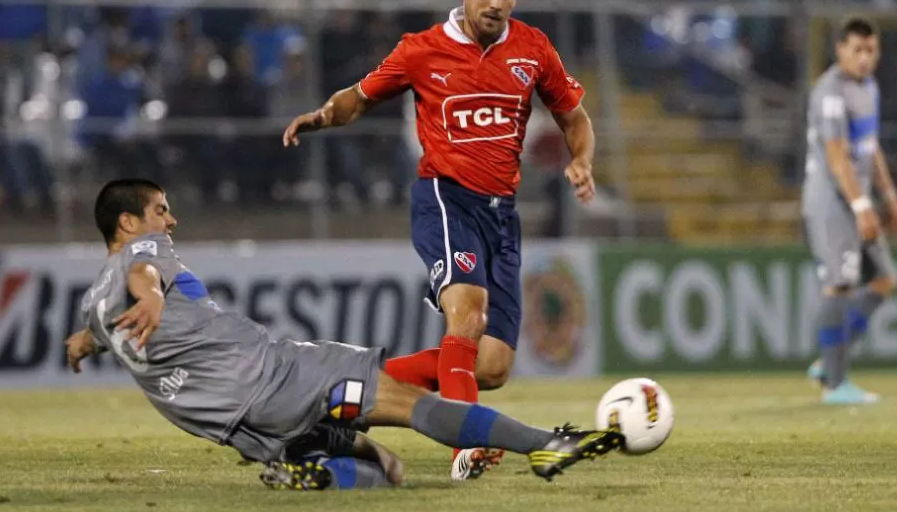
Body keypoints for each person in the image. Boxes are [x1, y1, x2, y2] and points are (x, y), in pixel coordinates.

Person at [65, 179, 623, 491]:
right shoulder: (145, 254)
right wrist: (153, 298)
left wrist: (81, 345)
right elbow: (147, 276)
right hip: (278, 377)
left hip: (244, 430)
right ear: (128, 223)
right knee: (413, 404)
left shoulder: (95, 305)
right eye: (161, 211)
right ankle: (547, 444)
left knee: (389, 470)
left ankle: (312, 469)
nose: (170, 222)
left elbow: (93, 333)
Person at [282, 0, 595, 480]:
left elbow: (575, 118)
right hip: (446, 200)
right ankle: (466, 448)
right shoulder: (421, 49)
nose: (497, 2)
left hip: (503, 215)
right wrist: (323, 116)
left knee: (492, 366)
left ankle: (339, 393)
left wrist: (582, 160)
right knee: (467, 312)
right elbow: (360, 95)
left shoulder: (533, 49)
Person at [801, 17, 897, 404]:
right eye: (857, 50)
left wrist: (890, 195)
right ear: (840, 50)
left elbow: (870, 147)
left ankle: (830, 361)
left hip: (858, 200)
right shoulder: (829, 92)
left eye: (871, 50)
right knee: (840, 285)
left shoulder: (869, 88)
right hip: (831, 202)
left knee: (885, 280)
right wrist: (862, 206)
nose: (865, 58)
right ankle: (834, 384)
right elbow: (836, 156)